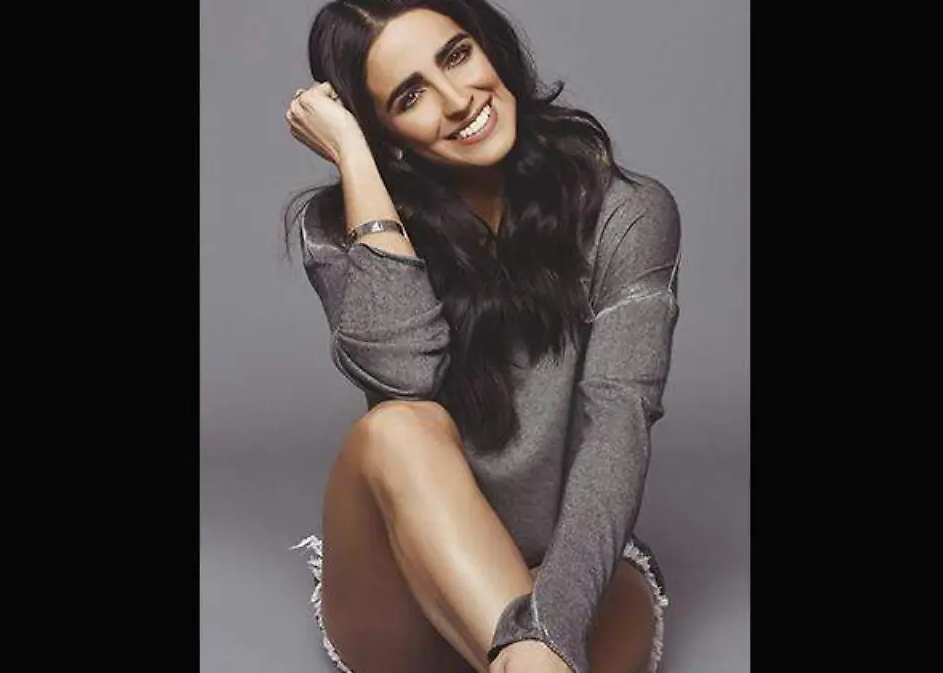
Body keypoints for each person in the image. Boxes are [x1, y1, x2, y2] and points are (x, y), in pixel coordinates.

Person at [283, 2, 682, 672]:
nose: (457, 100)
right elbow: (404, 375)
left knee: (546, 650)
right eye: (409, 96)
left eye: (456, 55)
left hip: (568, 574)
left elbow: (619, 426)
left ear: (490, 45)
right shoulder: (342, 228)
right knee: (397, 428)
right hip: (405, 585)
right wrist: (356, 156)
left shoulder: (627, 214)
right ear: (383, 132)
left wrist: (549, 627)